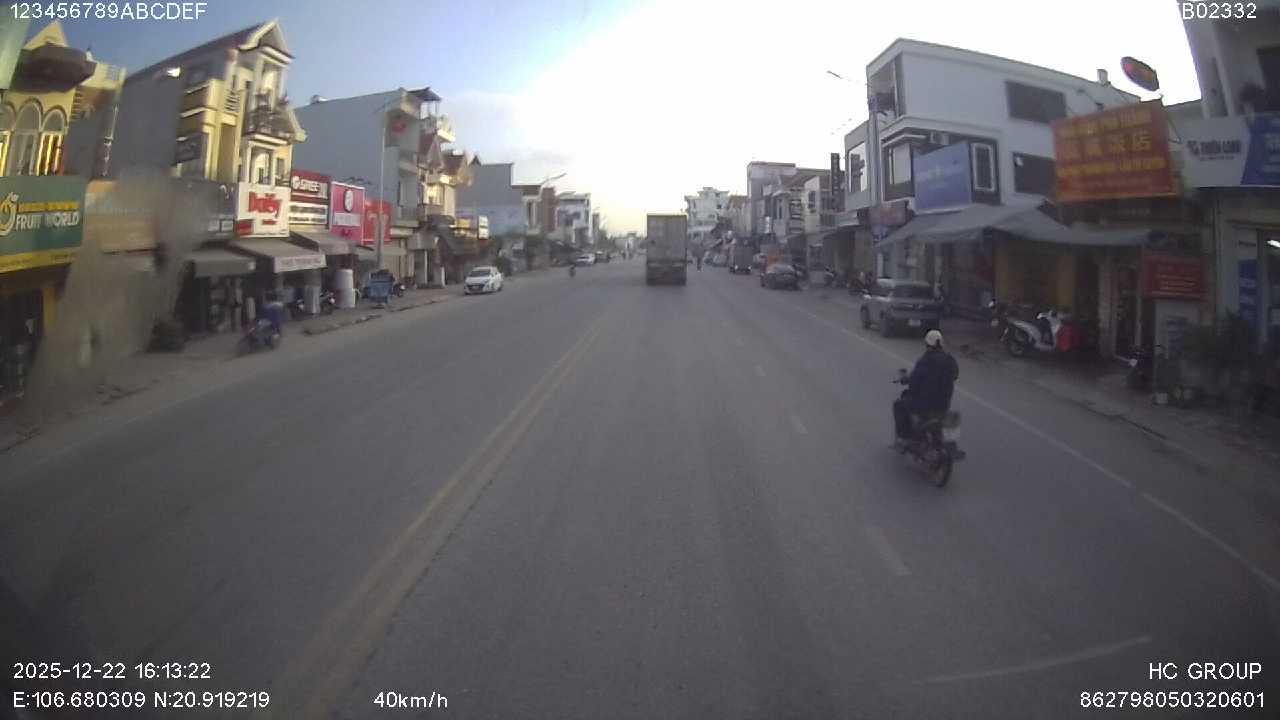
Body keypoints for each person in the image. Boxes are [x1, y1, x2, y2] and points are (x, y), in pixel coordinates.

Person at [894, 329, 959, 442]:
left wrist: (908, 381)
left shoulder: (925, 361)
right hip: (944, 406)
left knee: (898, 405)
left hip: (925, 406)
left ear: (927, 344)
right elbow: (955, 375)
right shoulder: (950, 360)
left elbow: (914, 384)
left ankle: (904, 437)